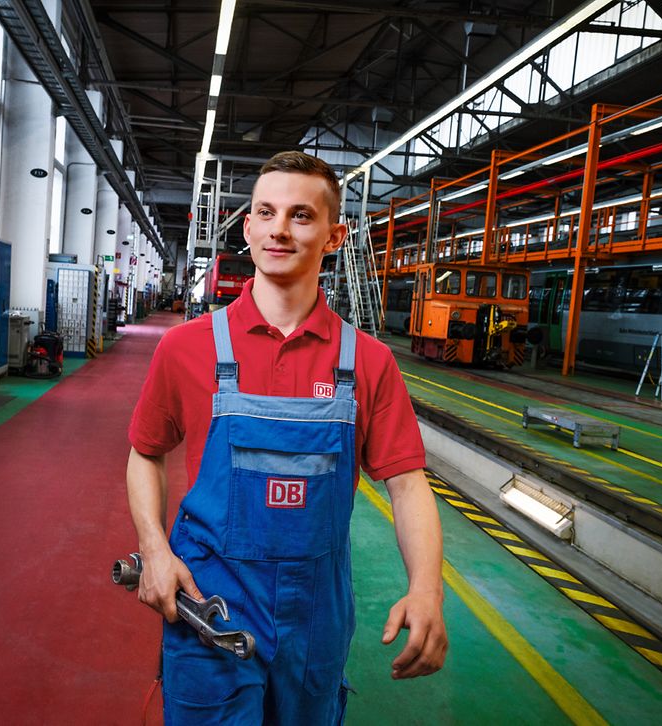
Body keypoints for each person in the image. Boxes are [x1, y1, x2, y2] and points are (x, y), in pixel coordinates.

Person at [127, 151, 447, 724]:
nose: (279, 229)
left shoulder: (368, 363)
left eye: (301, 215)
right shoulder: (186, 348)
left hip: (316, 612)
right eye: (265, 213)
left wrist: (427, 589)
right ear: (246, 226)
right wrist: (155, 551)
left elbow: (407, 483)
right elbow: (145, 453)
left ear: (334, 236)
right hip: (211, 599)